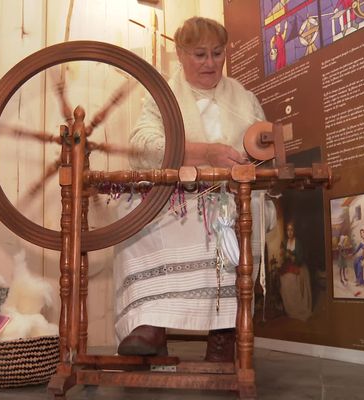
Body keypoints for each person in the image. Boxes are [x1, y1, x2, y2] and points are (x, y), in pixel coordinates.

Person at [114, 17, 274, 361]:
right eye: (200, 54)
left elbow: (263, 147)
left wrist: (255, 152)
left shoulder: (244, 98)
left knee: (250, 211)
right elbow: (142, 146)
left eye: (217, 53)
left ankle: (224, 332)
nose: (210, 63)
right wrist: (206, 152)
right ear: (180, 53)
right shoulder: (162, 96)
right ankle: (150, 324)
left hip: (230, 198)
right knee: (133, 214)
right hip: (179, 195)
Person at [278, 221, 312, 321]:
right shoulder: (285, 242)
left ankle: (297, 308)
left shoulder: (298, 242)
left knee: (293, 279)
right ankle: (289, 307)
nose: (289, 232)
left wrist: (292, 257)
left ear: (294, 231)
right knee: (283, 278)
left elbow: (300, 259)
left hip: (298, 266)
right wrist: (283, 255)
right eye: (288, 230)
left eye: (291, 230)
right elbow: (283, 256)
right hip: (288, 266)